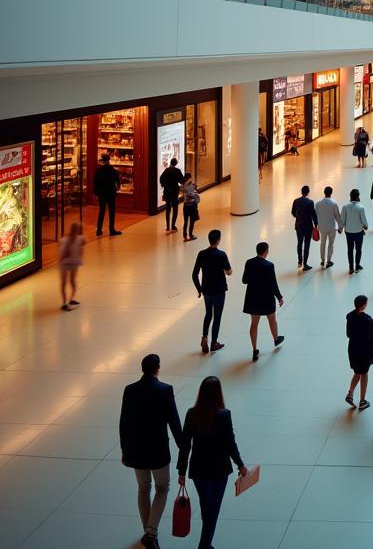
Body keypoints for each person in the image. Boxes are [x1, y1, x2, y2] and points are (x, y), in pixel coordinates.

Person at [119, 353, 183, 549]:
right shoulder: (165, 390)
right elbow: (174, 421)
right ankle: (151, 532)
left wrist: (124, 448)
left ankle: (149, 531)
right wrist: (184, 447)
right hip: (158, 451)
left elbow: (124, 422)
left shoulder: (130, 390)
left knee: (143, 488)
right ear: (158, 369)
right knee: (162, 488)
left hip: (136, 450)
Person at [177, 376, 247, 549]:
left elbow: (185, 445)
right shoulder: (224, 415)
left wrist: (182, 471)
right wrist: (240, 464)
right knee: (213, 510)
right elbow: (230, 443)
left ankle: (206, 544)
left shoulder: (191, 414)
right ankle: (204, 545)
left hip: (198, 470)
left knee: (205, 506)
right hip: (219, 470)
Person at [241, 241, 284, 361]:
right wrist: (279, 297)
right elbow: (273, 284)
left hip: (252, 297)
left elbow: (244, 280)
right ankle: (276, 338)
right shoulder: (269, 265)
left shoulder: (249, 262)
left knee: (254, 324)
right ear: (266, 251)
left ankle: (254, 349)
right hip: (266, 297)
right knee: (271, 319)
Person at [192, 229, 231, 354]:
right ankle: (214, 343)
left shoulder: (201, 254)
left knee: (208, 314)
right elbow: (229, 271)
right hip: (219, 290)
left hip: (206, 290)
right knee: (217, 316)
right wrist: (226, 271)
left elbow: (194, 274)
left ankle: (204, 337)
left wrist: (199, 289)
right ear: (218, 240)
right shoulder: (221, 254)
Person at [345, 294, 373, 411]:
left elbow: (348, 334)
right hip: (364, 351)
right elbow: (369, 338)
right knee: (364, 373)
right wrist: (372, 353)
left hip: (352, 349)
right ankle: (362, 400)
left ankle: (350, 393)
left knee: (357, 372)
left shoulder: (350, 316)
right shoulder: (368, 319)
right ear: (363, 305)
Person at [92, 153, 122, 236]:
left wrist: (96, 193)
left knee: (101, 211)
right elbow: (118, 181)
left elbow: (95, 183)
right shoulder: (113, 170)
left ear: (102, 161)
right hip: (111, 193)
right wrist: (117, 188)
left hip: (102, 194)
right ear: (109, 160)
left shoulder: (98, 171)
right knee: (111, 212)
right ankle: (111, 229)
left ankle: (99, 230)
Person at [340, 189, 369, 275]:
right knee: (358, 249)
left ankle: (351, 267)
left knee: (350, 249)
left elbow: (342, 219)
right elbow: (364, 221)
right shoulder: (360, 207)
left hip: (348, 232)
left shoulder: (345, 207)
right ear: (357, 197)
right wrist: (365, 226)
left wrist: (340, 228)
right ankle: (357, 266)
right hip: (358, 232)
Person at [58, 220, 84, 311]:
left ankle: (66, 301)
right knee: (70, 281)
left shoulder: (67, 239)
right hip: (70, 263)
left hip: (67, 263)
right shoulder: (79, 239)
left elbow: (61, 253)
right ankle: (68, 300)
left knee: (66, 282)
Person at [291, 184, 317, 271]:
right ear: (308, 192)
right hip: (308, 226)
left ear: (301, 192)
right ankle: (305, 264)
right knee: (307, 244)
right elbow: (313, 214)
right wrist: (316, 225)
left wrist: (298, 217)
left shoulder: (296, 201)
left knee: (299, 243)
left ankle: (299, 261)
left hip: (299, 225)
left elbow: (293, 212)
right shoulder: (310, 202)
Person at [315, 185, 342, 268]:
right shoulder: (334, 203)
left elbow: (316, 216)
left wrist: (316, 227)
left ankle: (322, 260)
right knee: (331, 244)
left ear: (324, 192)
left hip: (322, 227)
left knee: (322, 243)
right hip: (332, 227)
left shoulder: (318, 204)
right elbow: (337, 216)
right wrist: (340, 227)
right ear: (331, 193)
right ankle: (329, 260)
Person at [159, 157, 184, 233]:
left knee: (168, 208)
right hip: (174, 192)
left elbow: (161, 179)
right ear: (176, 163)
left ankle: (167, 227)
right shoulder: (177, 171)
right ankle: (173, 226)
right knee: (175, 209)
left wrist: (164, 185)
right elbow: (182, 180)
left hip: (167, 191)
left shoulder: (166, 170)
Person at [181, 172, 200, 242]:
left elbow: (183, 189)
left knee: (186, 221)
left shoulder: (183, 185)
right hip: (192, 205)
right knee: (191, 221)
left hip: (186, 205)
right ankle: (190, 234)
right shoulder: (192, 185)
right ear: (189, 178)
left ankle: (185, 235)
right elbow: (196, 193)